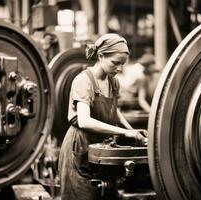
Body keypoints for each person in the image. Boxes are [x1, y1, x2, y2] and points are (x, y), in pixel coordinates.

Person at [58, 33, 146, 200]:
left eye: (122, 64)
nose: (119, 68)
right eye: (115, 63)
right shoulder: (84, 81)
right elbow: (84, 121)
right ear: (101, 56)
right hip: (80, 148)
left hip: (101, 149)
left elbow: (114, 109)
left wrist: (132, 131)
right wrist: (124, 133)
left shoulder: (113, 82)